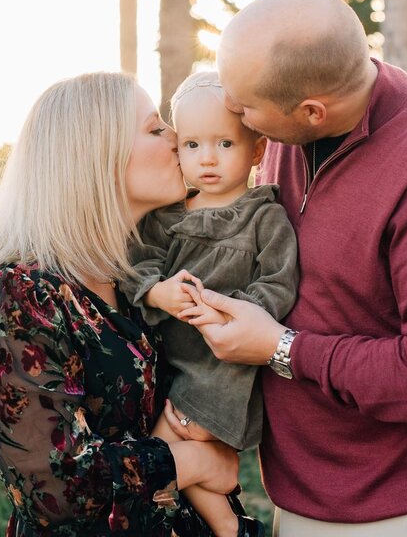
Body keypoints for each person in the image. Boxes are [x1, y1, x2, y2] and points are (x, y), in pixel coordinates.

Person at [179, 0, 407, 536]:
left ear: (312, 111)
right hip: (305, 498)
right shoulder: (286, 129)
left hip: (403, 512)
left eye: (243, 108)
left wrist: (283, 349)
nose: (233, 116)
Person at [0, 72, 240, 536]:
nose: (179, 139)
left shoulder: (139, 276)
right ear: (95, 158)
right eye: (156, 128)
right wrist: (196, 461)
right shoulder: (18, 294)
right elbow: (58, 489)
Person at [121, 71, 300, 537]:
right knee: (162, 455)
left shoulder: (265, 216)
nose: (208, 160)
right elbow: (138, 265)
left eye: (225, 144)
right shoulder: (168, 217)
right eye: (193, 146)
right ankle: (231, 528)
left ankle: (220, 522)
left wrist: (231, 309)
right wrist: (157, 290)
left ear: (257, 150)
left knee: (163, 453)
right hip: (171, 360)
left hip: (221, 368)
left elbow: (279, 283)